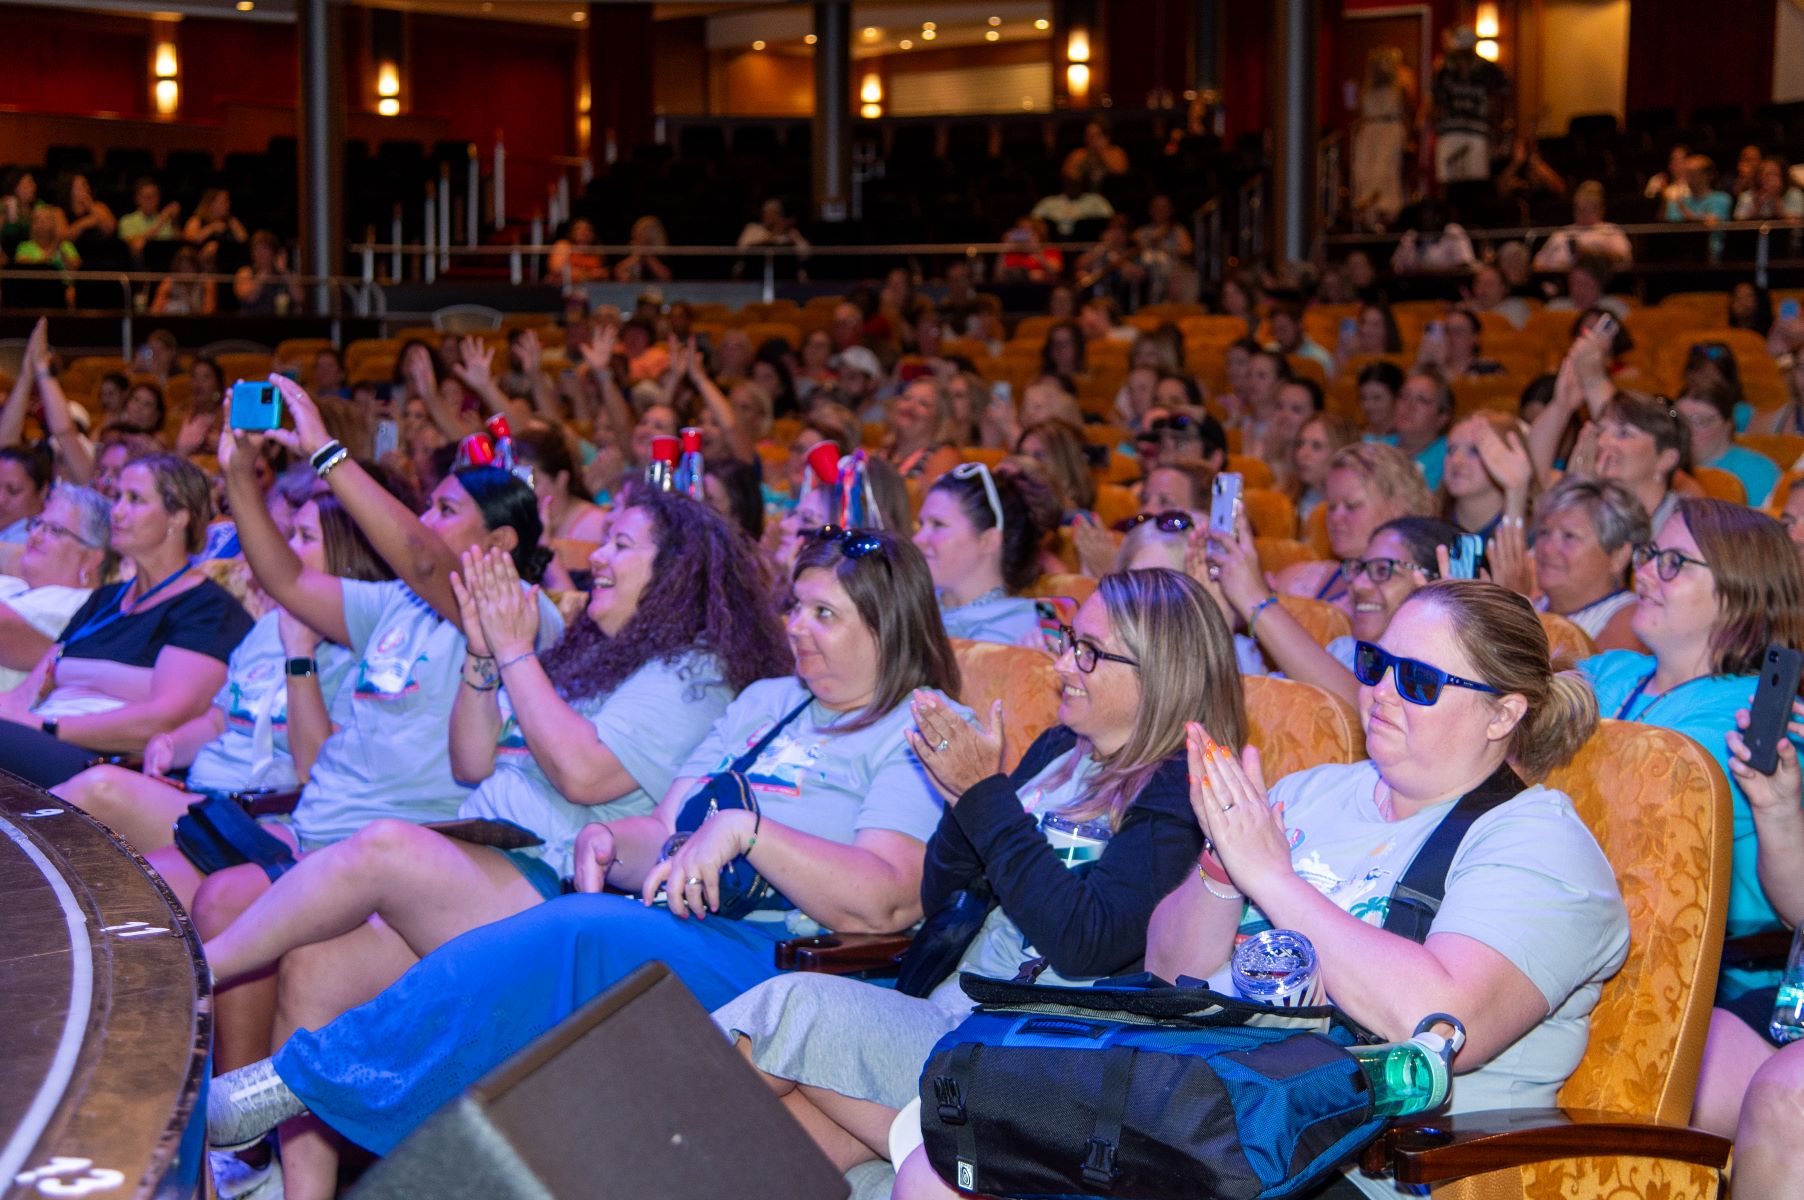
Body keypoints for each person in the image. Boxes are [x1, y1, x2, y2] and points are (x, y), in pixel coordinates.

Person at [206, 529, 962, 1160]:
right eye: (795, 606)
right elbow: (665, 829)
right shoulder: (771, 703)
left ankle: (297, 1081)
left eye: (824, 614)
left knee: (574, 932)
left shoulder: (917, 725)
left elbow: (884, 898)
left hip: (791, 957)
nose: (796, 627)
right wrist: (608, 841)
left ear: (886, 626)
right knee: (553, 944)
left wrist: (753, 834)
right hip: (691, 922)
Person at [196, 496, 792, 1118]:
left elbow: (581, 774)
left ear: (677, 572)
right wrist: (484, 657)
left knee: (386, 844)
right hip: (484, 857)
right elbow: (472, 762)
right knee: (315, 967)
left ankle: (190, 974)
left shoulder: (693, 672)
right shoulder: (591, 655)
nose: (598, 558)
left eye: (621, 544)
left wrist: (514, 651)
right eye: (604, 540)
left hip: (553, 887)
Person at [717, 569, 1237, 1184]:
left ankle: (621, 1115)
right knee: (788, 1143)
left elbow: (1086, 941)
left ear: (1161, 672)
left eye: (1089, 652)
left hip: (1032, 1049)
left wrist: (983, 795)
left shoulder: (1181, 791)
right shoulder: (1059, 750)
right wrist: (962, 797)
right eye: (1069, 640)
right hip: (952, 1012)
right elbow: (941, 893)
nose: (1063, 664)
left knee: (786, 1007)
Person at [1134, 580, 1626, 1200]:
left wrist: (1271, 877)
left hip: (1376, 1169)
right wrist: (1222, 867)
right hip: (1225, 1126)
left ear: (1502, 713)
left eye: (1418, 680)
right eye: (1377, 664)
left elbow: (1444, 1022)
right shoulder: (1311, 791)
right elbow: (1169, 969)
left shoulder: (1541, 845)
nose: (1381, 692)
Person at [52, 493, 388, 855]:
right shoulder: (269, 626)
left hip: (262, 816)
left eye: (305, 538)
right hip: (201, 794)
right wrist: (172, 744)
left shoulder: (363, 651)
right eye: (291, 535)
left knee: (99, 790)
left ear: (349, 558)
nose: (288, 549)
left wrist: (299, 654)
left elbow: (314, 768)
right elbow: (217, 722)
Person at [1581, 499, 1804, 1007]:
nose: (1644, 574)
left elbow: (1617, 801)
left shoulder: (1754, 718)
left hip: (1705, 986)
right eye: (1650, 554)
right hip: (1594, 947)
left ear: (1739, 593)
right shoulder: (1611, 670)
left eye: (1674, 563)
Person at [0, 454, 253, 788]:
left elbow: (165, 718)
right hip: (37, 738)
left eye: (135, 500)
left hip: (103, 762)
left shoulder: (206, 609)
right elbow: (26, 693)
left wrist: (49, 726)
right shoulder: (105, 600)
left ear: (177, 517)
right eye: (118, 497)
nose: (116, 511)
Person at [1215, 513, 1458, 704]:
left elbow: (1360, 710)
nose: (1358, 584)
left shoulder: (1439, 674)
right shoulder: (1344, 649)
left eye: (1383, 570)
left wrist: (1254, 599)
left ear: (1435, 582)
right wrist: (1218, 615)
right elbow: (1260, 701)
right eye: (1359, 569)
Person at [1273, 441, 1434, 611]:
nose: (1335, 517)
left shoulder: (1415, 597)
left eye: (1352, 506)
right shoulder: (1306, 579)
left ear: (1398, 508)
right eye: (1332, 506)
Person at [914, 462, 1053, 648]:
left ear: (988, 541)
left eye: (938, 525)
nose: (918, 539)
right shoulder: (909, 610)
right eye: (921, 524)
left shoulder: (1031, 630)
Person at [0, 485, 110, 691]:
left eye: (55, 530)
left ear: (92, 558)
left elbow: (5, 629)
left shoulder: (81, 604)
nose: (35, 536)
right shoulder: (14, 585)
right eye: (37, 524)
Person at [1528, 476, 1646, 652]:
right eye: (1544, 533)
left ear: (1618, 557)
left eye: (1569, 536)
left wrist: (1515, 620)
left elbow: (1577, 678)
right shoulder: (1535, 603)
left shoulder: (1631, 623)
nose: (1547, 549)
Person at [1428, 26, 1509, 186]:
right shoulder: (1443, 69)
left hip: (1475, 132)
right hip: (1453, 132)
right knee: (1452, 184)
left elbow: (1501, 98)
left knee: (1474, 186)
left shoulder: (1488, 69)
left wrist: (1497, 126)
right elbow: (1435, 103)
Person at [1678, 378, 1779, 505]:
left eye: (1700, 421)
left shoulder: (1758, 471)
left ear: (1728, 425)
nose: (1687, 429)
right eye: (1680, 420)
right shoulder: (1665, 466)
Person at [1441, 411, 1532, 538]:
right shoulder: (1426, 525)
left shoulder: (1538, 534)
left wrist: (1516, 491)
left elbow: (1511, 556)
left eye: (1474, 450)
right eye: (1451, 449)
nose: (1456, 460)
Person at [1351, 45, 1411, 227]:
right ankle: (1368, 213)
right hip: (1370, 133)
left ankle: (1387, 213)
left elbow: (1407, 111)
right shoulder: (1366, 87)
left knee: (1387, 172)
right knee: (1366, 172)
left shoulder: (1401, 84)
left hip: (1390, 132)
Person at [876, 378, 962, 484]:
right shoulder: (883, 452)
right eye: (906, 398)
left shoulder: (945, 457)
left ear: (941, 419)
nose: (910, 406)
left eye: (923, 403)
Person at [1532, 182, 1633, 270]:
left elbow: (1624, 260)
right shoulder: (1562, 232)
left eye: (1588, 209)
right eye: (1579, 209)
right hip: (1556, 282)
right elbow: (1539, 262)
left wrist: (1591, 254)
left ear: (1601, 210)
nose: (1583, 214)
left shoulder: (1610, 230)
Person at [1391, 369, 1455, 490]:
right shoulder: (1373, 447)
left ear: (1442, 418)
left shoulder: (1451, 455)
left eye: (1422, 400)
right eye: (1404, 396)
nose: (1409, 405)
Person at [1293, 413, 1358, 526]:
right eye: (1300, 444)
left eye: (1316, 446)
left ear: (1341, 454)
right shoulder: (1284, 497)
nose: (1302, 453)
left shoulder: (1354, 513)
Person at [233, 231, 302, 315]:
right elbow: (250, 298)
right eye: (256, 249)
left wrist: (284, 271)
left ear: (273, 252)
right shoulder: (245, 272)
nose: (260, 254)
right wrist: (264, 273)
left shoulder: (284, 273)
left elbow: (299, 298)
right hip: (251, 323)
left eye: (264, 249)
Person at [118, 178, 182, 262]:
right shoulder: (126, 221)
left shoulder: (168, 221)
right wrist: (162, 220)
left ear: (159, 198)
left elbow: (178, 248)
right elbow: (137, 245)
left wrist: (175, 221)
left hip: (165, 267)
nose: (150, 200)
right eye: (146, 197)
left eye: (153, 196)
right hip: (138, 270)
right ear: (137, 198)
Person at [545, 217, 608, 284]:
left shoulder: (597, 251)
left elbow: (603, 274)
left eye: (588, 229)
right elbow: (557, 270)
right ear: (572, 232)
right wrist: (589, 275)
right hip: (563, 290)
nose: (583, 233)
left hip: (590, 291)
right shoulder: (564, 245)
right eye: (579, 229)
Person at [1356, 360, 1406, 439]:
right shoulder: (1354, 438)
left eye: (1377, 398)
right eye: (1363, 398)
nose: (1368, 405)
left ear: (1397, 397)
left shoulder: (1409, 440)